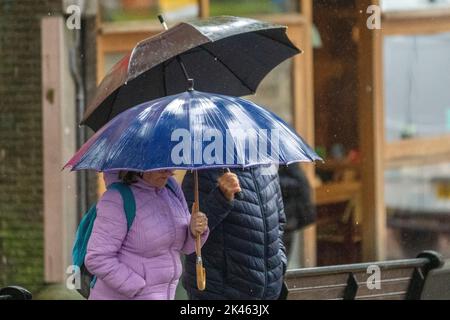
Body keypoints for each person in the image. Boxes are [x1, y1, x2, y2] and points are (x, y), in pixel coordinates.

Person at [85, 170, 209, 300]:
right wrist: (137, 287)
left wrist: (194, 231)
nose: (169, 172)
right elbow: (97, 258)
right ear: (139, 168)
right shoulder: (116, 198)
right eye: (161, 167)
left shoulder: (171, 189)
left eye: (169, 165)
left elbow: (185, 247)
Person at [181, 166, 287, 300]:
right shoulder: (200, 171)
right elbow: (188, 234)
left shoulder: (266, 166)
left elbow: (279, 223)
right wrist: (221, 197)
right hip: (221, 292)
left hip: (270, 292)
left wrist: (280, 263)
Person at [278, 165, 316, 257]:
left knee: (283, 257)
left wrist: (274, 182)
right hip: (283, 217)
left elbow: (300, 183)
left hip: (286, 217)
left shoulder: (285, 160)